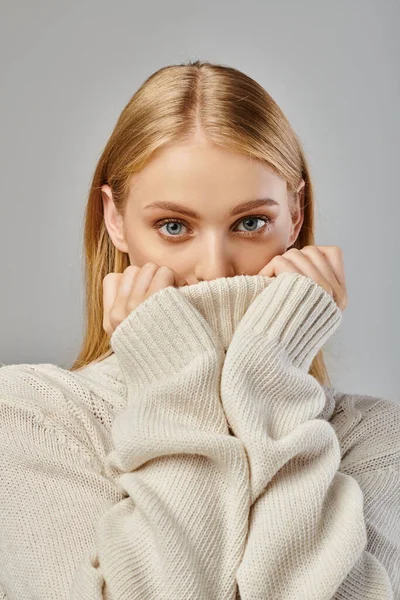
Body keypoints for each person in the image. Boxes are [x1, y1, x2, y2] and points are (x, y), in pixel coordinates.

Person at [0, 60, 399, 600]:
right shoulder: (32, 417)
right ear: (115, 220)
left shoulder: (378, 440)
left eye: (251, 223)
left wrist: (272, 380)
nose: (214, 267)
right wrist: (176, 381)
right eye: (173, 226)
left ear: (296, 215)